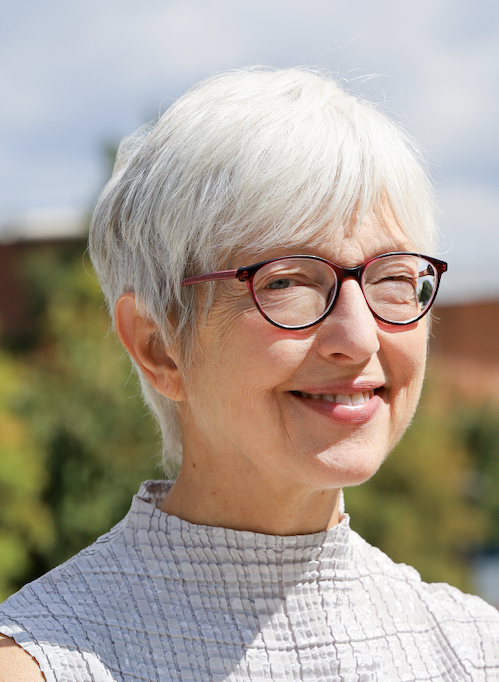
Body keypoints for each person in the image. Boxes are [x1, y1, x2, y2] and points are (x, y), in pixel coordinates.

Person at [1, 67, 498, 682]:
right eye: (287, 281)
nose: (360, 336)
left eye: (392, 277)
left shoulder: (476, 651)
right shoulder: (43, 664)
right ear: (158, 346)